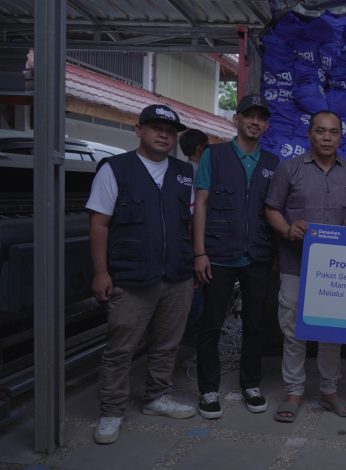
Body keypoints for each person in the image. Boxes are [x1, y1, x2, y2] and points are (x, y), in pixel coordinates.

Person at [87, 104, 195, 444]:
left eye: (170, 131)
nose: (163, 135)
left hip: (177, 275)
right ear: (138, 130)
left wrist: (196, 259)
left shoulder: (185, 172)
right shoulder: (115, 169)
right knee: (120, 348)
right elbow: (99, 224)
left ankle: (156, 397)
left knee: (167, 344)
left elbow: (193, 222)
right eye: (155, 128)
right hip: (131, 277)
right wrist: (101, 273)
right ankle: (111, 410)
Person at [265, 110, 346, 423]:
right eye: (321, 131)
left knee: (330, 332)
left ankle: (329, 391)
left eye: (333, 132)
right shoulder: (289, 169)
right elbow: (271, 209)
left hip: (335, 271)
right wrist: (287, 229)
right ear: (309, 134)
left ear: (341, 136)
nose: (327, 137)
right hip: (295, 264)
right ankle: (294, 391)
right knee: (293, 331)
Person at [193, 95, 280, 419]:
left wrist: (274, 253)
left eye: (260, 118)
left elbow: (274, 211)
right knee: (211, 324)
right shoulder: (214, 156)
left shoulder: (272, 163)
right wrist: (199, 252)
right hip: (218, 254)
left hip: (258, 256)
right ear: (236, 119)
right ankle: (208, 389)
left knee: (256, 325)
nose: (255, 122)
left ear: (266, 125)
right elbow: (201, 204)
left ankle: (251, 384)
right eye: (249, 116)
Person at [178, 127, 209, 347]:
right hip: (194, 246)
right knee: (197, 292)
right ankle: (190, 342)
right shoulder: (199, 174)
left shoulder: (179, 170)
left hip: (181, 246)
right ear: (200, 149)